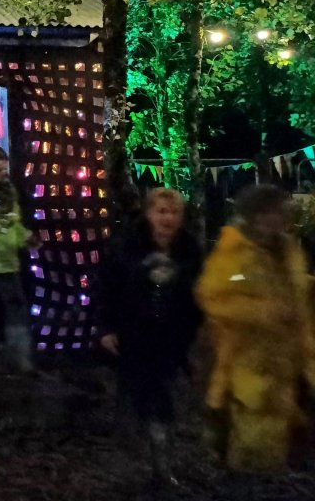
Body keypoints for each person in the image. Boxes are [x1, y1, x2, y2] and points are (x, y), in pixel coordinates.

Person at [196, 184, 315, 473]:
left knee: (290, 432)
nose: (279, 218)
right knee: (250, 439)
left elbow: (297, 290)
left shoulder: (289, 249)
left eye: (281, 212)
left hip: (291, 358)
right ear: (255, 215)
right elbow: (213, 296)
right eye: (271, 212)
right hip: (247, 362)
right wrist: (263, 312)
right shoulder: (233, 252)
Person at [96, 187, 202, 486]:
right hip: (134, 332)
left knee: (163, 392)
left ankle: (160, 457)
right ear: (149, 214)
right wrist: (105, 327)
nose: (168, 219)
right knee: (139, 390)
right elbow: (107, 287)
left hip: (173, 335)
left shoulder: (189, 249)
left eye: (174, 212)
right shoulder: (126, 246)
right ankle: (141, 457)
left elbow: (198, 291)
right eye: (161, 212)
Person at [0, 146, 35, 376]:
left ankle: (17, 360)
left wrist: (25, 237)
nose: (3, 173)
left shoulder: (9, 189)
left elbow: (15, 221)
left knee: (14, 311)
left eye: (4, 168)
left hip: (9, 261)